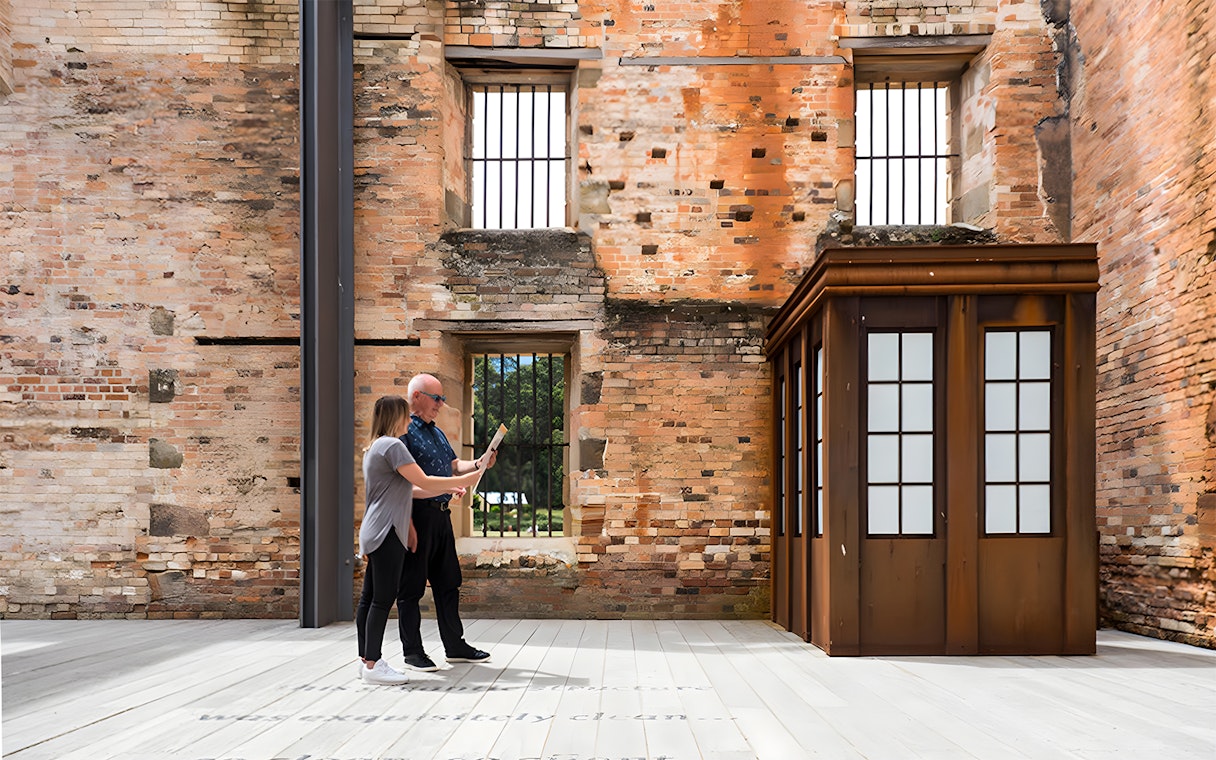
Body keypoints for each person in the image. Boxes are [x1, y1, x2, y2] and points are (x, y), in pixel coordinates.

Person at [356, 395, 483, 685]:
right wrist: (464, 480)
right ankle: (373, 665)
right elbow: (423, 480)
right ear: (396, 418)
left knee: (369, 598)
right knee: (382, 600)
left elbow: (409, 489)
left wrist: (449, 489)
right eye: (405, 415)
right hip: (388, 530)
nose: (408, 421)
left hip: (376, 528)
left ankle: (365, 660)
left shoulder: (376, 446)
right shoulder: (393, 446)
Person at [396, 373, 497, 671]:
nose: (441, 404)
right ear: (416, 396)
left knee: (449, 582)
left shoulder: (437, 432)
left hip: (441, 515)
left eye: (442, 398)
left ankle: (454, 646)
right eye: (436, 398)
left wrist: (478, 463)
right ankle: (412, 652)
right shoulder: (402, 432)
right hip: (416, 515)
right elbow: (402, 482)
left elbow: (453, 465)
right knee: (411, 587)